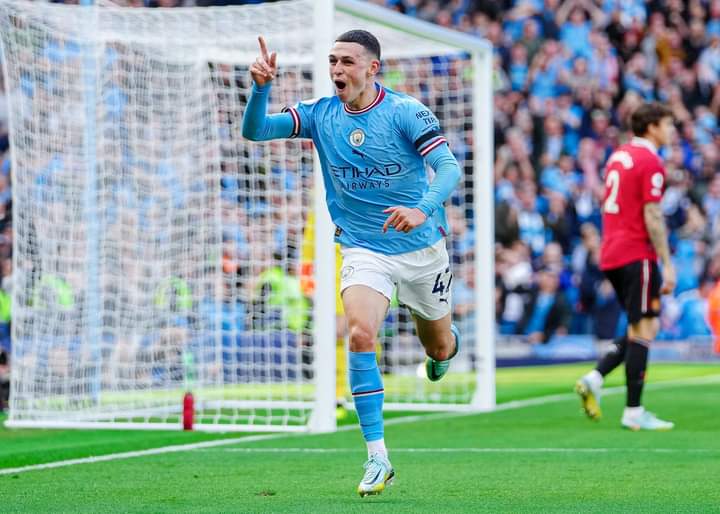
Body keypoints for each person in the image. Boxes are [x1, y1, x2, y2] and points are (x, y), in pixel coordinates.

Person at [242, 30, 461, 496]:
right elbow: (256, 131)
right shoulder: (320, 114)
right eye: (332, 61)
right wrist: (261, 89)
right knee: (360, 333)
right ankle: (377, 456)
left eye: (346, 62)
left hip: (422, 247)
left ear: (372, 68)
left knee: (439, 348)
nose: (337, 69)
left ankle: (445, 347)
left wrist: (422, 208)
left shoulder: (405, 111)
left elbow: (449, 168)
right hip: (364, 248)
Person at [575, 102, 676, 431]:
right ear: (652, 127)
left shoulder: (618, 156)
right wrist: (667, 263)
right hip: (636, 253)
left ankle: (595, 377)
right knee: (644, 329)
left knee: (643, 325)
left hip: (612, 253)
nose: (671, 131)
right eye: (667, 124)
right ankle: (634, 411)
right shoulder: (651, 161)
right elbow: (653, 214)